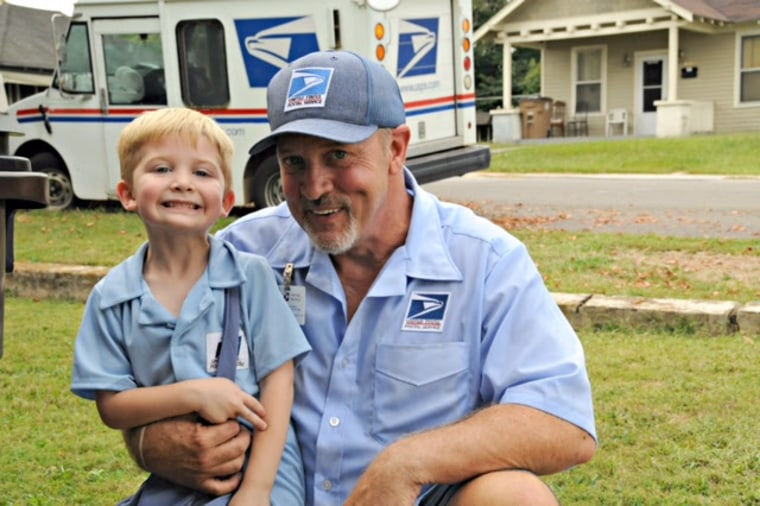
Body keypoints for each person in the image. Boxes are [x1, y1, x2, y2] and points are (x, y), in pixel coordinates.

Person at [125, 51, 597, 505]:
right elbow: (145, 377)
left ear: (395, 149)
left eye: (338, 156)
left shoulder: (485, 262)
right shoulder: (240, 253)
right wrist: (153, 442)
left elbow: (563, 422)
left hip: (413, 500)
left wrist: (407, 464)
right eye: (294, 162)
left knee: (514, 499)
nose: (315, 187)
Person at [71, 108, 311, 505]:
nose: (182, 183)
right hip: (176, 476)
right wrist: (194, 394)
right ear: (128, 194)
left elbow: (279, 382)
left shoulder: (250, 277)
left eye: (202, 173)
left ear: (227, 202)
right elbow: (112, 405)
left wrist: (256, 491)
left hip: (257, 469)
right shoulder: (112, 297)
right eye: (162, 169)